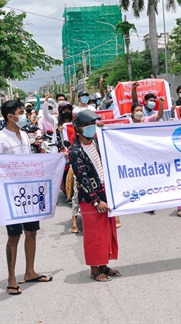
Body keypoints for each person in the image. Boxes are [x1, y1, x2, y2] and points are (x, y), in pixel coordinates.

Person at [0, 100, 53, 295]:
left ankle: (30, 271)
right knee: (14, 236)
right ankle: (12, 278)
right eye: (21, 112)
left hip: (29, 193)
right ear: (10, 116)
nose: (24, 115)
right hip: (11, 196)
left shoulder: (24, 135)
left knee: (32, 232)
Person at [68, 110, 120, 282]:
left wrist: (103, 127)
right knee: (94, 235)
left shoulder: (96, 142)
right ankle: (94, 269)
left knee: (106, 231)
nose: (91, 128)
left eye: (92, 125)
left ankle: (103, 264)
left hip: (105, 192)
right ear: (78, 129)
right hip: (91, 199)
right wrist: (96, 200)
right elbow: (82, 178)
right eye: (87, 125)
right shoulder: (75, 152)